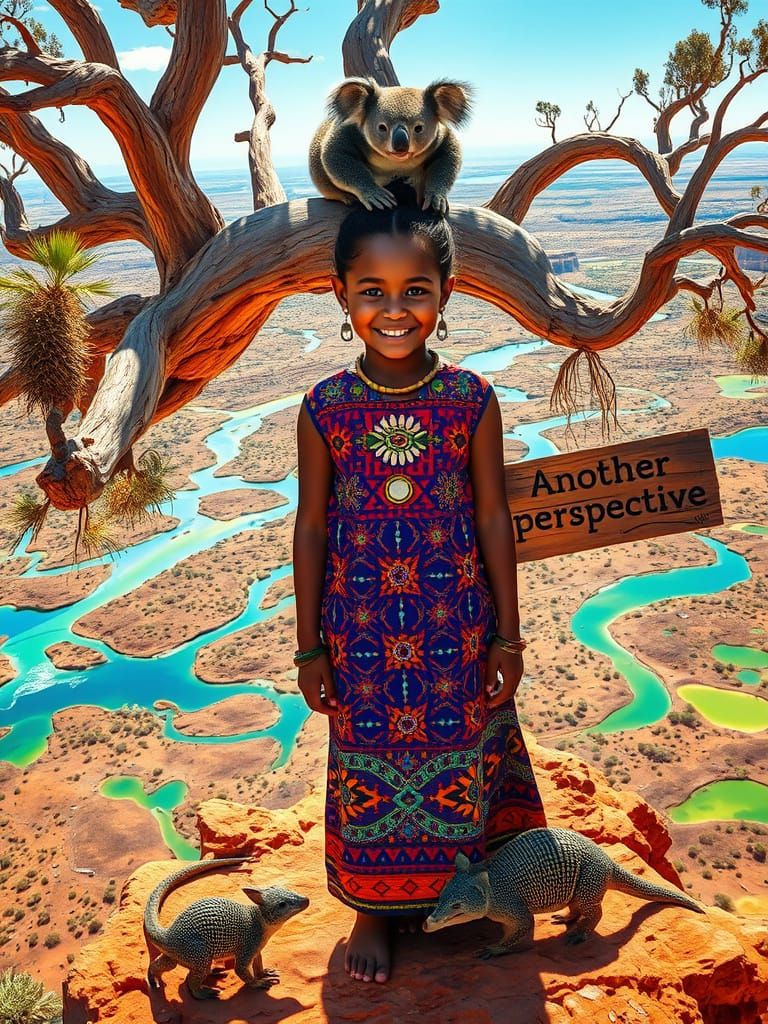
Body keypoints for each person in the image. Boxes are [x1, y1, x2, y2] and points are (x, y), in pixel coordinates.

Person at [292, 181, 546, 985]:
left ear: (447, 292)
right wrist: (309, 648)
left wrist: (508, 636)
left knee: (463, 751)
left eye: (416, 291)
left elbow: (494, 519)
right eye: (372, 291)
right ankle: (374, 905)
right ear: (341, 294)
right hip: (362, 638)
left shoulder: (471, 400)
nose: (394, 309)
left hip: (455, 631)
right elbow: (311, 528)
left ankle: (471, 891)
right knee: (365, 753)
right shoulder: (325, 408)